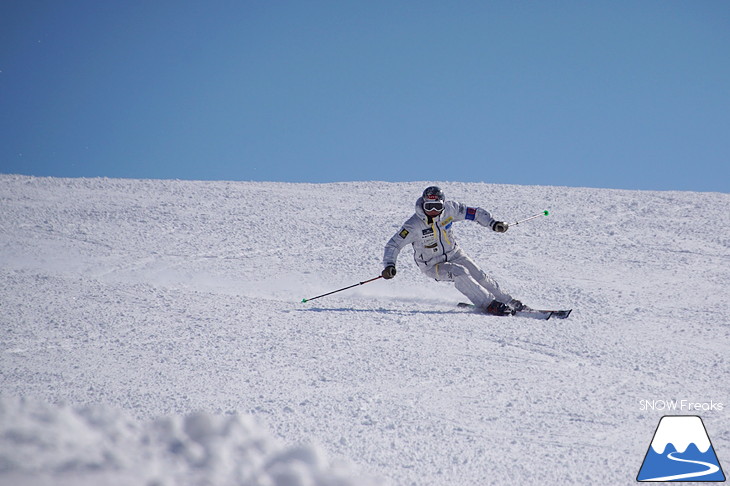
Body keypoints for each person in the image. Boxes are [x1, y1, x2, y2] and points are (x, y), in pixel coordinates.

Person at [381, 186, 527, 315]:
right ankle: (489, 304)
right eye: (429, 206)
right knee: (459, 272)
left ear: (443, 206)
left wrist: (493, 223)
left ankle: (509, 301)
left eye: (436, 207)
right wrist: (389, 265)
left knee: (480, 275)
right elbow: (393, 245)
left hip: (454, 253)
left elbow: (474, 213)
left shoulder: (451, 210)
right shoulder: (413, 225)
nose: (432, 211)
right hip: (432, 265)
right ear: (423, 204)